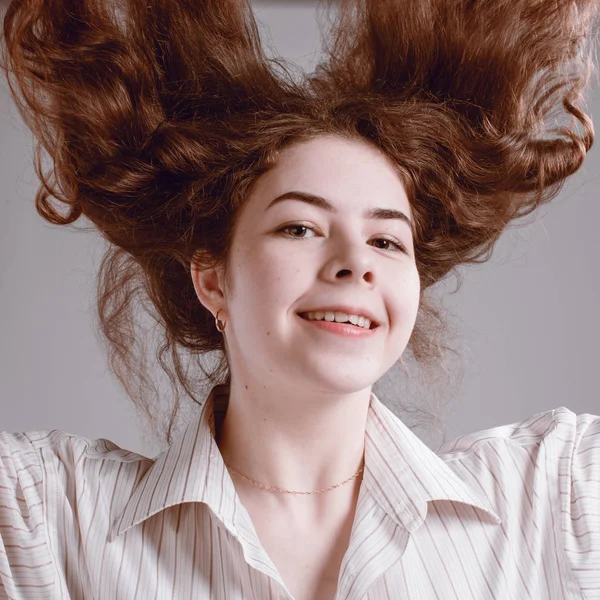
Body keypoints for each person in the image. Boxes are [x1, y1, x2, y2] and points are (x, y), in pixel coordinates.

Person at [0, 0, 599, 598]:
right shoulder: (45, 516)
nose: (355, 263)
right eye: (300, 228)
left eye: (387, 239)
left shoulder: (556, 497)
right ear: (212, 279)